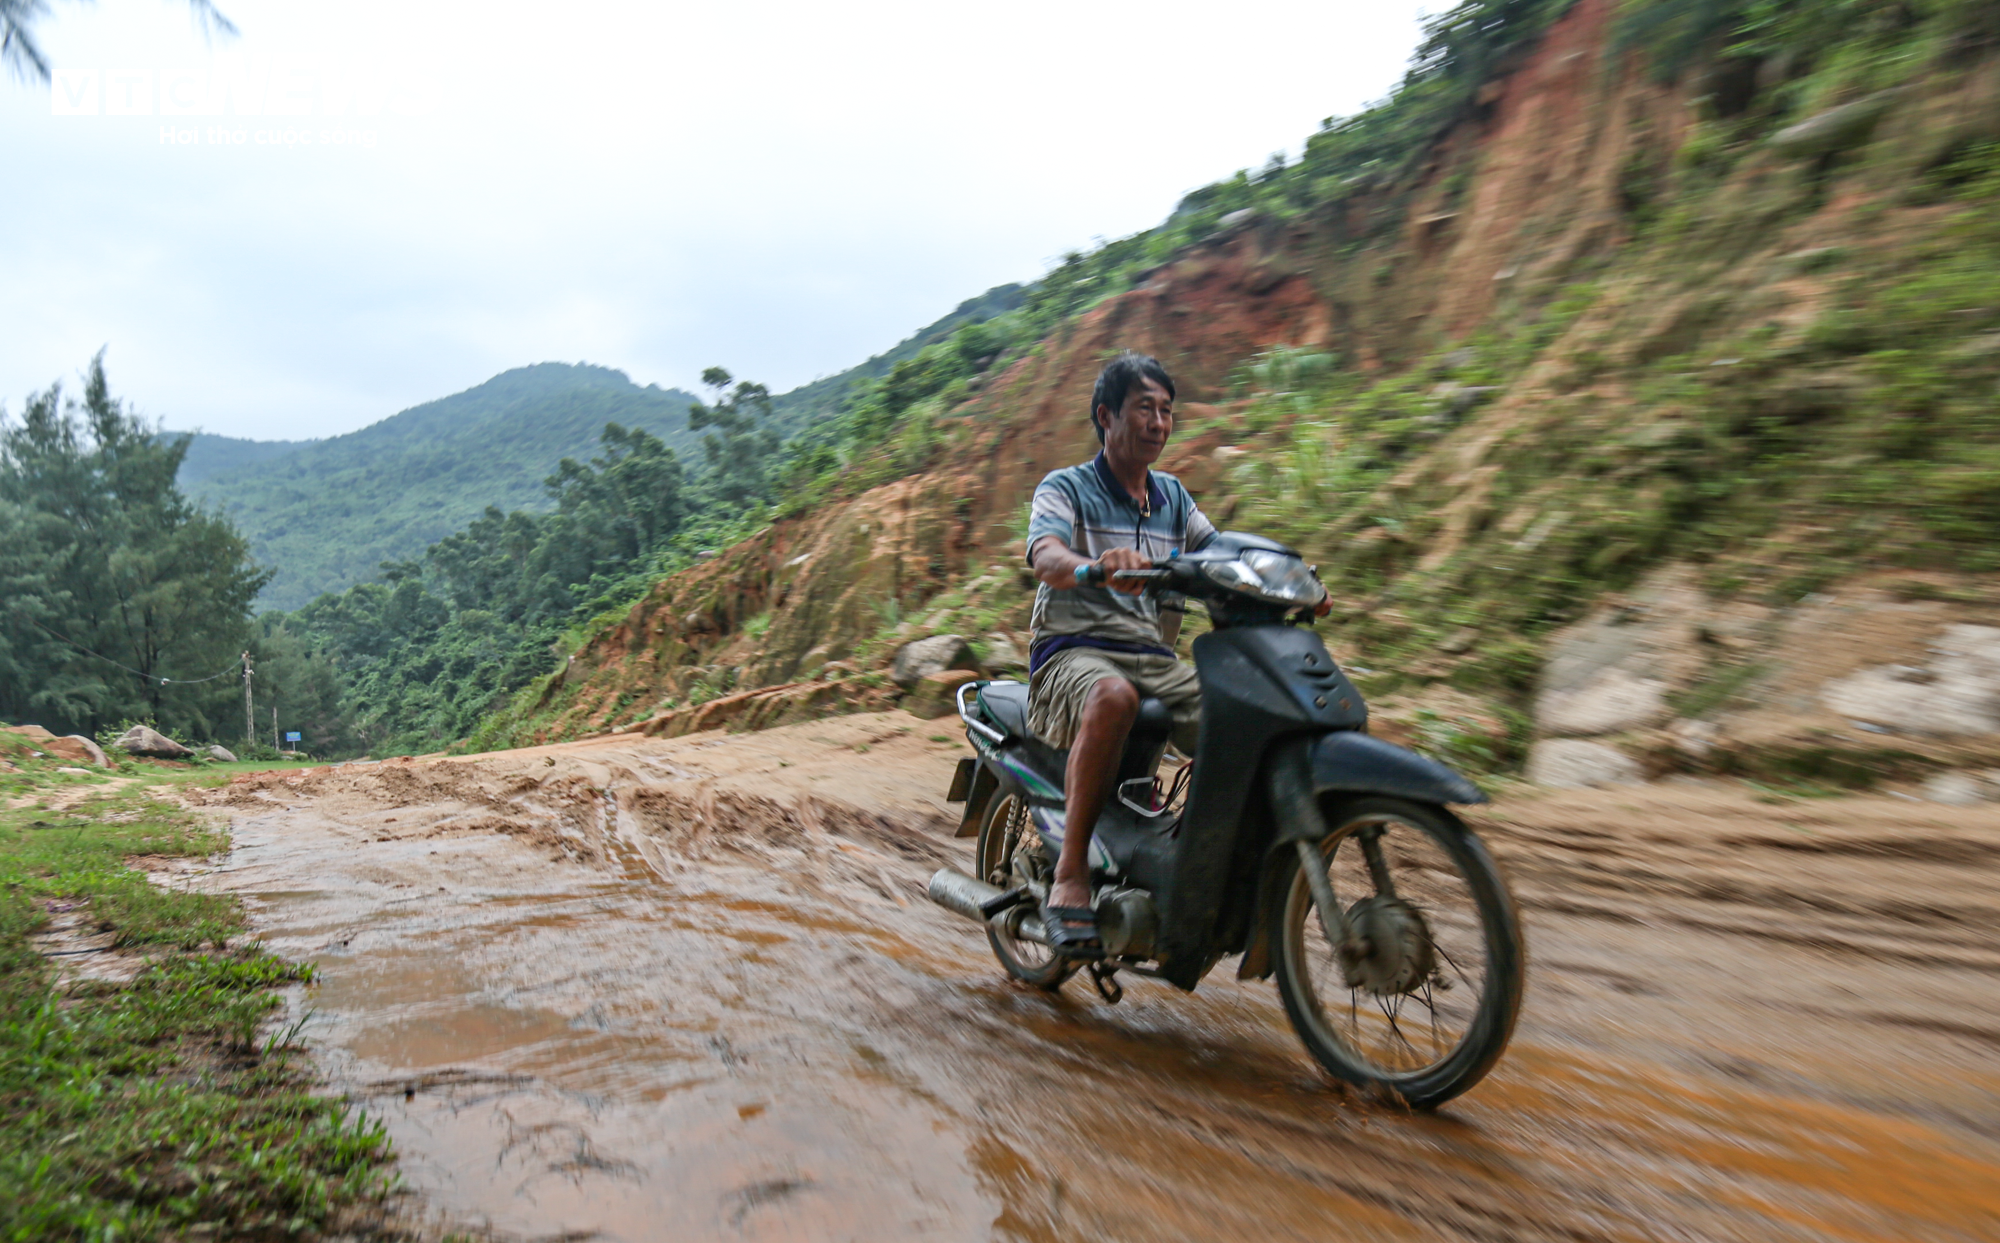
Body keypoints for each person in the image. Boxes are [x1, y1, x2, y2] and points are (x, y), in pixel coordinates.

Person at [1023, 351, 1214, 958]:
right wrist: (1092, 567)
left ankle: (1194, 858)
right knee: (1114, 696)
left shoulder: (1175, 499)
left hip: (1146, 652)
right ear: (1106, 416)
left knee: (1237, 714)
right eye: (1144, 408)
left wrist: (1286, 576)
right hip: (1071, 650)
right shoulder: (1065, 487)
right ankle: (1070, 873)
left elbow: (1220, 551)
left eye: (1166, 411)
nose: (1158, 422)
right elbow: (1044, 555)